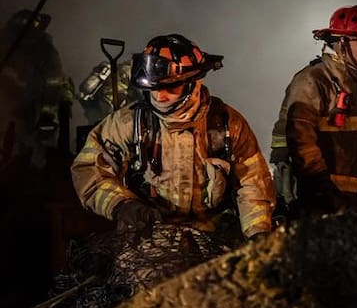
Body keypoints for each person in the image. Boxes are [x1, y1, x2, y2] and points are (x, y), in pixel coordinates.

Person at [71, 34, 274, 238]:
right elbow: (89, 170)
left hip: (214, 235)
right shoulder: (128, 123)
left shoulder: (226, 123)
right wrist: (122, 206)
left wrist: (258, 233)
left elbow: (252, 183)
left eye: (170, 87)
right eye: (154, 88)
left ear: (192, 82)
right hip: (147, 237)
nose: (160, 96)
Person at [277, 5, 357, 214]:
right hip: (326, 203)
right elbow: (303, 147)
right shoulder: (312, 81)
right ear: (342, 44)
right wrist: (325, 194)